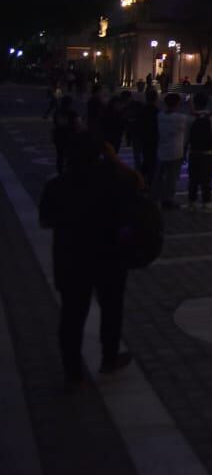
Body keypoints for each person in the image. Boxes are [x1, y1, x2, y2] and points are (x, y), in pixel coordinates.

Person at [39, 131, 141, 386]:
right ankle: (109, 357)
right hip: (109, 257)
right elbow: (139, 184)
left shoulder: (57, 184)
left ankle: (72, 372)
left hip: (71, 258)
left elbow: (45, 220)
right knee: (111, 310)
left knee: (72, 316)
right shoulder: (114, 180)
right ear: (100, 153)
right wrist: (114, 160)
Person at [187, 91, 212, 212]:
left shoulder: (191, 117)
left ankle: (192, 203)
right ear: (207, 103)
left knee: (193, 179)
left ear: (195, 103)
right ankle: (206, 203)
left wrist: (185, 151)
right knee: (207, 179)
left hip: (194, 152)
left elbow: (187, 137)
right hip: (209, 153)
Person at [153, 92, 187, 211]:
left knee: (159, 177)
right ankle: (168, 200)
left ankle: (156, 198)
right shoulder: (181, 118)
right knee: (171, 179)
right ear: (178, 104)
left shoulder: (160, 116)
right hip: (176, 152)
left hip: (161, 151)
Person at [131, 88, 159, 186]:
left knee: (146, 161)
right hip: (153, 140)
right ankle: (147, 183)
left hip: (143, 139)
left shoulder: (141, 111)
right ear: (156, 99)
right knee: (151, 163)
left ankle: (141, 180)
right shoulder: (157, 112)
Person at [51, 95, 79, 175]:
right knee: (69, 156)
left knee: (59, 156)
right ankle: (68, 171)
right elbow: (77, 124)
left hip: (58, 136)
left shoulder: (57, 112)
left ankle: (60, 171)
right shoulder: (72, 113)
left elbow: (56, 123)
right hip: (69, 136)